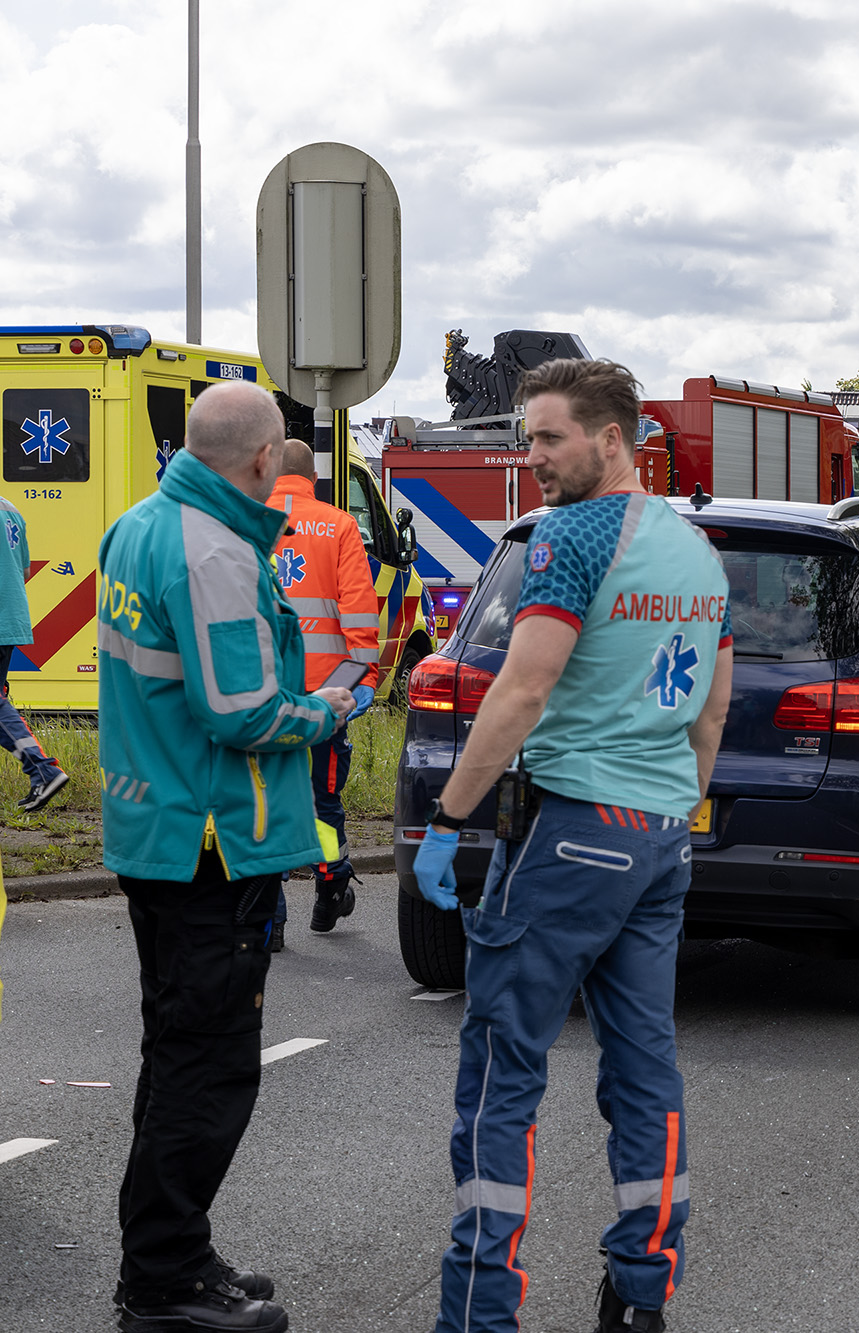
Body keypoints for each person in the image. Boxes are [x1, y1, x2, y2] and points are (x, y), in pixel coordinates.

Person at [411, 358, 732, 1333]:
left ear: (610, 438)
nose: (533, 456)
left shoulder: (571, 539)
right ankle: (642, 1292)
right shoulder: (692, 551)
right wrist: (674, 803)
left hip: (566, 831)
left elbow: (521, 689)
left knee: (501, 1072)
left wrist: (448, 820)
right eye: (527, 435)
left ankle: (478, 1313)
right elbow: (712, 709)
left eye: (549, 437)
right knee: (644, 1066)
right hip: (656, 837)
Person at [98, 380, 354, 1333]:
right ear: (262, 458)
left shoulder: (142, 524)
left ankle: (172, 1250)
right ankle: (164, 1281)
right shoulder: (214, 552)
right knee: (207, 1069)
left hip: (156, 829)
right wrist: (326, 710)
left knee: (174, 1057)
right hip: (213, 839)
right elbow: (241, 711)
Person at [265, 440, 381, 950]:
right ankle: (329, 886)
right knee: (320, 797)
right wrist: (363, 684)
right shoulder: (338, 525)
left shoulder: (244, 519)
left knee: (262, 799)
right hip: (326, 694)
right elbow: (359, 614)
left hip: (262, 692)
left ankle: (270, 920)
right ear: (314, 477)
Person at [0, 494, 67, 812]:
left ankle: (43, 769)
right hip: (9, 619)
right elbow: (23, 571)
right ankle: (42, 770)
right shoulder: (10, 508)